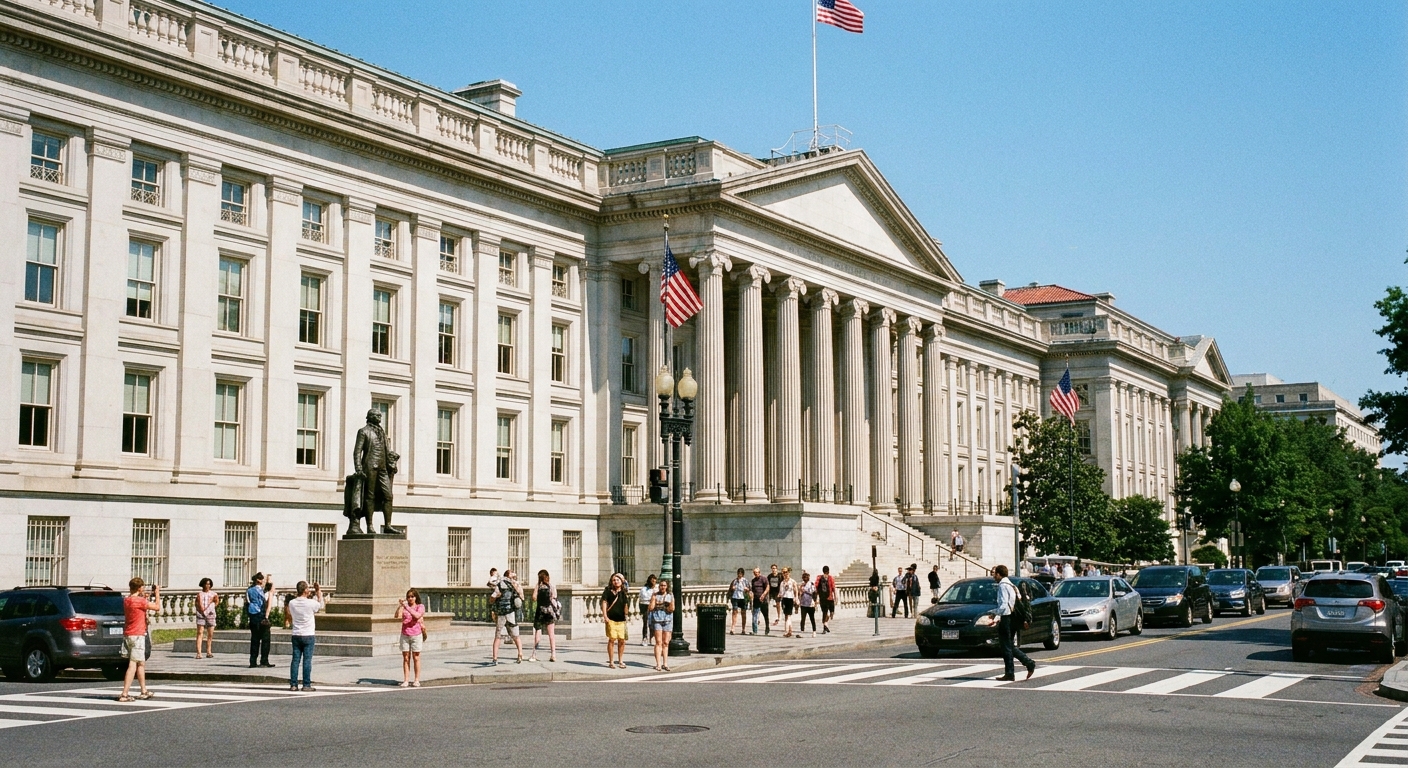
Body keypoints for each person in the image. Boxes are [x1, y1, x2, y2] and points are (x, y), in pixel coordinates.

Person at [117, 577, 159, 702]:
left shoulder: (127, 600)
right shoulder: (140, 601)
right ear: (140, 588)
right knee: (133, 664)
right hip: (137, 635)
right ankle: (124, 693)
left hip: (128, 634)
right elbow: (157, 607)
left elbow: (139, 606)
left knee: (141, 663)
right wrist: (157, 593)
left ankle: (143, 690)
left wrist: (144, 597)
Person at [992, 564, 1035, 682]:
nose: (993, 576)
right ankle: (1028, 663)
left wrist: (994, 615)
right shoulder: (1011, 585)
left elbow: (1004, 605)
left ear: (999, 574)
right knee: (1010, 645)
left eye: (994, 573)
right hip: (1014, 618)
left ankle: (1010, 672)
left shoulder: (1002, 586)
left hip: (1006, 618)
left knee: (1006, 646)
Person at [284, 580, 324, 692]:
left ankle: (293, 684)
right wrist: (318, 593)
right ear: (305, 590)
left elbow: (291, 613)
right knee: (307, 660)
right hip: (308, 634)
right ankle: (306, 684)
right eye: (308, 588)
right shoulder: (311, 603)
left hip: (296, 633)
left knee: (295, 660)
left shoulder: (292, 603)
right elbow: (320, 605)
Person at [491, 570, 524, 665]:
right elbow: (521, 597)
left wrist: (495, 599)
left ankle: (495, 658)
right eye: (512, 573)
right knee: (516, 635)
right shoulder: (515, 584)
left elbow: (493, 597)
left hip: (501, 613)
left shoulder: (500, 584)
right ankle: (520, 654)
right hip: (511, 613)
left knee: (498, 636)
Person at [396, 588, 425, 686]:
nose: (410, 599)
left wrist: (406, 607)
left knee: (416, 657)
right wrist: (400, 606)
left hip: (416, 634)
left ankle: (416, 679)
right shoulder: (405, 607)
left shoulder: (420, 606)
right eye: (408, 597)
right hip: (405, 634)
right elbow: (397, 616)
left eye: (412, 596)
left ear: (416, 597)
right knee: (406, 657)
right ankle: (406, 680)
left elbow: (417, 616)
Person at [600, 572, 630, 668]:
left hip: (621, 619)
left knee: (622, 640)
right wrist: (605, 616)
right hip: (611, 619)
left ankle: (620, 660)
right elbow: (604, 603)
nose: (616, 582)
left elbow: (626, 606)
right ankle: (611, 661)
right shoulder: (608, 591)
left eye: (618, 580)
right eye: (614, 580)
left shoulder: (624, 592)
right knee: (612, 639)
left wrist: (627, 615)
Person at [246, 572, 273, 668]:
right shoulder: (262, 591)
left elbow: (247, 602)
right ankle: (264, 660)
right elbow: (267, 594)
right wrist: (269, 580)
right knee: (265, 639)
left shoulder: (249, 590)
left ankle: (252, 661)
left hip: (253, 615)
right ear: (260, 581)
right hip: (261, 615)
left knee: (255, 639)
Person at [531, 570, 559, 663]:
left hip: (540, 611)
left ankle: (534, 654)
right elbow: (554, 597)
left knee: (537, 634)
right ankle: (553, 654)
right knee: (551, 635)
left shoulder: (538, 586)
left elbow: (534, 597)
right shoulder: (551, 586)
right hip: (549, 612)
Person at [647, 579, 675, 671]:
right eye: (661, 585)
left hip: (667, 620)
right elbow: (651, 608)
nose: (662, 587)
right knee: (658, 642)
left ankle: (665, 663)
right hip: (657, 620)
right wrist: (654, 599)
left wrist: (667, 603)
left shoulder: (670, 595)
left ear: (667, 586)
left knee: (666, 643)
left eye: (664, 585)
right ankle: (658, 664)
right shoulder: (655, 595)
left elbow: (672, 609)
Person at [195, 577, 217, 659]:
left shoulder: (213, 594)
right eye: (206, 584)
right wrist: (201, 610)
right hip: (201, 614)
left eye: (209, 584)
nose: (207, 586)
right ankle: (199, 653)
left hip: (210, 614)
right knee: (200, 633)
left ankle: (209, 651)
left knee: (210, 634)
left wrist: (210, 607)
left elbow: (216, 602)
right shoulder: (199, 594)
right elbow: (197, 603)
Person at [728, 568, 750, 635]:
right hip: (735, 597)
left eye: (741, 573)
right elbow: (730, 589)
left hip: (743, 598)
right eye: (738, 573)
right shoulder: (734, 581)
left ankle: (743, 629)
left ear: (743, 574)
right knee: (734, 612)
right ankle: (733, 628)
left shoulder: (745, 581)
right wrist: (732, 588)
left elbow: (749, 589)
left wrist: (747, 589)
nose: (739, 575)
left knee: (743, 613)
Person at [816, 566, 837, 634]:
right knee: (831, 613)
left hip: (822, 599)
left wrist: (816, 598)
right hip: (830, 598)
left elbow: (815, 587)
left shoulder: (819, 578)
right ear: (828, 571)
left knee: (824, 613)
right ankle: (825, 625)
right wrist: (836, 597)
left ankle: (825, 625)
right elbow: (833, 588)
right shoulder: (831, 578)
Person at [749, 567, 770, 634]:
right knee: (755, 615)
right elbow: (752, 589)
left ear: (759, 572)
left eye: (757, 573)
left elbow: (767, 587)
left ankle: (767, 627)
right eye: (754, 573)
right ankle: (755, 630)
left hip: (763, 600)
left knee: (765, 615)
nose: (756, 574)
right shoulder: (753, 580)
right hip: (756, 600)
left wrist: (763, 595)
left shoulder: (764, 579)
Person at [638, 575, 657, 647]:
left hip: (655, 607)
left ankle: (652, 637)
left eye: (655, 581)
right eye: (652, 581)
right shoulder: (644, 589)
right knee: (646, 623)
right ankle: (645, 638)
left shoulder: (657, 588)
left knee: (654, 624)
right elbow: (642, 600)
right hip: (647, 607)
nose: (654, 582)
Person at [779, 567, 798, 638]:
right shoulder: (782, 582)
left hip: (790, 598)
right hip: (784, 599)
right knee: (786, 615)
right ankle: (790, 630)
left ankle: (787, 631)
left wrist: (796, 598)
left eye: (786, 572)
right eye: (783, 572)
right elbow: (781, 592)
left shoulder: (792, 581)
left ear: (789, 573)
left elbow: (796, 590)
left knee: (788, 615)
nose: (785, 574)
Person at [798, 570, 818, 638]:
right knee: (802, 618)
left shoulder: (811, 584)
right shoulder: (802, 584)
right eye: (803, 577)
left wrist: (805, 590)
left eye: (806, 577)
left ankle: (814, 631)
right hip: (803, 604)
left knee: (812, 618)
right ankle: (802, 631)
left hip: (810, 604)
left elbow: (813, 592)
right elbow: (799, 593)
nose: (804, 579)